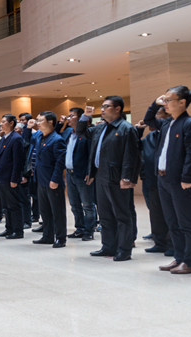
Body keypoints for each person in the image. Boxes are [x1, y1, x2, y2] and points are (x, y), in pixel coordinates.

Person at [146, 86, 191, 274]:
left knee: (186, 223)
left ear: (182, 102)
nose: (165, 103)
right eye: (165, 100)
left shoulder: (189, 124)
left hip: (180, 181)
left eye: (168, 100)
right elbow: (148, 120)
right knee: (172, 221)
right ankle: (179, 257)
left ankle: (190, 262)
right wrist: (155, 103)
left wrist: (187, 177)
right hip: (163, 179)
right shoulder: (167, 123)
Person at [76, 96, 140, 261]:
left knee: (122, 215)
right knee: (105, 214)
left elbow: (131, 156)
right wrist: (85, 116)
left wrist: (126, 177)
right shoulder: (100, 127)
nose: (102, 109)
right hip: (101, 175)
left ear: (117, 109)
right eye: (102, 107)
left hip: (117, 177)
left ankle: (124, 250)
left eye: (106, 106)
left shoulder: (126, 128)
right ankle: (108, 246)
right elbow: (81, 132)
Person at [135, 110, 173, 255]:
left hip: (168, 180)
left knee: (170, 214)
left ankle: (173, 244)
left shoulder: (170, 134)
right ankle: (160, 243)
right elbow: (136, 146)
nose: (151, 119)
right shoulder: (150, 136)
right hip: (151, 180)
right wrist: (138, 131)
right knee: (156, 214)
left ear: (166, 117)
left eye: (157, 115)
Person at [28, 112, 67, 248]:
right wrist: (28, 128)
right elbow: (27, 139)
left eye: (40, 120)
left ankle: (61, 238)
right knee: (44, 211)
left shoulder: (57, 139)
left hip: (52, 181)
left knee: (57, 211)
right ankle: (47, 236)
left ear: (50, 122)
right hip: (41, 180)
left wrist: (55, 179)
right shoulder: (39, 136)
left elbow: (60, 162)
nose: (37, 123)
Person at [57, 108, 96, 241]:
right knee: (74, 205)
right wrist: (60, 123)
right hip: (69, 173)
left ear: (81, 119)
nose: (68, 118)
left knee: (87, 205)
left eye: (71, 116)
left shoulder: (87, 134)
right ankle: (80, 228)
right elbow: (56, 134)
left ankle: (89, 230)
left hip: (82, 174)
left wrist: (90, 172)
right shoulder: (68, 132)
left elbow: (91, 154)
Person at [0, 114, 25, 239]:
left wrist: (14, 179)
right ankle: (9, 228)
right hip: (2, 177)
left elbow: (18, 162)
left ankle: (18, 231)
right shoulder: (3, 138)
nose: (1, 124)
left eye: (3, 122)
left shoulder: (16, 138)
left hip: (10, 178)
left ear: (11, 123)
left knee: (14, 205)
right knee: (6, 206)